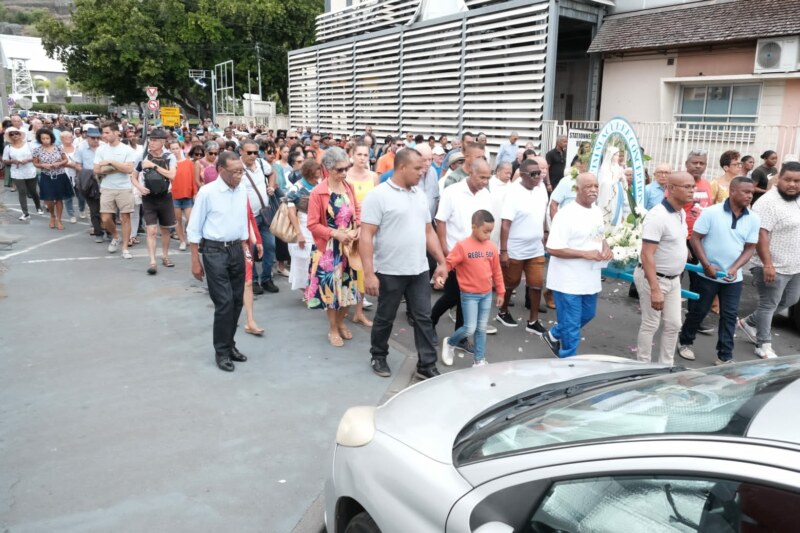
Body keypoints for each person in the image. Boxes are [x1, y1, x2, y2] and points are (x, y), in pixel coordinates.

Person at [360, 148, 447, 379]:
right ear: (401, 168)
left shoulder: (419, 195)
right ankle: (378, 355)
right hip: (389, 270)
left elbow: (429, 231)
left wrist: (441, 261)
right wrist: (369, 274)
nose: (422, 172)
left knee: (423, 317)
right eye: (417, 168)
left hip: (418, 269)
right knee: (385, 317)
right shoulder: (378, 196)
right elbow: (366, 235)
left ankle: (426, 364)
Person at [677, 177, 759, 365]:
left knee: (729, 315)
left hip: (733, 278)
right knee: (699, 311)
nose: (750, 196)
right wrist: (706, 265)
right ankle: (685, 341)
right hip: (707, 274)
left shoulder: (753, 218)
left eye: (752, 193)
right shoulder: (711, 213)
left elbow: (749, 248)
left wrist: (735, 268)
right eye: (746, 192)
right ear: (732, 192)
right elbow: (696, 239)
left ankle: (725, 356)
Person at [187, 151, 250, 372]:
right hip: (214, 251)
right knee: (224, 303)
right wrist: (195, 260)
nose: (239, 175)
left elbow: (241, 221)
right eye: (234, 172)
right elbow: (194, 229)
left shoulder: (242, 189)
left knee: (237, 301)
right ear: (221, 170)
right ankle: (221, 352)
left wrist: (245, 247)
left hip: (236, 250)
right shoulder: (207, 192)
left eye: (241, 171)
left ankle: (230, 344)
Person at [541, 173, 612, 357]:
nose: (594, 190)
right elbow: (553, 248)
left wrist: (606, 248)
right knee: (572, 328)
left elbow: (599, 236)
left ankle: (553, 334)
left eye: (596, 186)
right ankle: (568, 363)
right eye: (588, 186)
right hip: (567, 281)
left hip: (590, 278)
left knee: (588, 314)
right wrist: (583, 254)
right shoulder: (566, 215)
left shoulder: (596, 211)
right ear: (577, 190)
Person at [738, 162, 800, 359]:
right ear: (778, 178)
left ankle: (748, 322)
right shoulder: (767, 202)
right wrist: (768, 264)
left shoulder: (797, 200)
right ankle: (763, 344)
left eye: (797, 181)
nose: (792, 184)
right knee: (769, 304)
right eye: (788, 179)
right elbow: (760, 234)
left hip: (795, 264)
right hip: (771, 265)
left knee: (791, 299)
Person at [432, 158, 493, 352]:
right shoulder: (453, 192)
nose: (485, 181)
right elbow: (440, 221)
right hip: (454, 253)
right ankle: (429, 322)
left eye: (488, 178)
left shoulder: (486, 196)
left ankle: (460, 336)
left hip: (476, 256)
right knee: (451, 296)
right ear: (471, 173)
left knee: (465, 297)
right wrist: (443, 250)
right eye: (482, 177)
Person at [634, 172, 694, 365]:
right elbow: (647, 254)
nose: (692, 190)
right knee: (651, 324)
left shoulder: (681, 212)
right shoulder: (657, 216)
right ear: (671, 188)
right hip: (654, 278)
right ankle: (642, 366)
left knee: (674, 324)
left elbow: (675, 240)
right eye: (687, 187)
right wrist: (655, 289)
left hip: (674, 279)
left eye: (693, 186)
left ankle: (665, 366)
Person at [306, 147, 361, 347]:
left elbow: (356, 212)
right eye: (339, 170)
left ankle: (339, 323)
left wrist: (357, 229)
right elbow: (312, 224)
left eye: (346, 168)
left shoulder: (349, 187)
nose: (344, 173)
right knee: (331, 293)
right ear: (328, 169)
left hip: (348, 247)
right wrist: (334, 233)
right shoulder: (317, 193)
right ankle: (332, 328)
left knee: (349, 289)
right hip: (329, 249)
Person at [440, 210, 504, 367]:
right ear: (474, 227)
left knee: (481, 328)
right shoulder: (462, 246)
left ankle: (479, 359)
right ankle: (450, 342)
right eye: (485, 231)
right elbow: (448, 264)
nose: (488, 235)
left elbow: (497, 270)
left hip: (486, 294)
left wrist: (501, 291)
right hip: (469, 295)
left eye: (491, 231)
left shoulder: (491, 247)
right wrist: (441, 276)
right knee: (469, 327)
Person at [495, 158, 549, 334]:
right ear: (523, 175)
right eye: (534, 174)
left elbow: (542, 215)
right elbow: (505, 224)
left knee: (536, 284)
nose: (538, 177)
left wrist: (546, 232)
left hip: (535, 248)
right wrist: (504, 251)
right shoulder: (513, 192)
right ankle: (503, 312)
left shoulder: (541, 190)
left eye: (539, 173)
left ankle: (533, 321)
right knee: (511, 283)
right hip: (515, 248)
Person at [678, 148, 716, 335]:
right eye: (695, 162)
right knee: (675, 278)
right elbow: (672, 212)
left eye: (702, 163)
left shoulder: (708, 185)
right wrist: (682, 241)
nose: (698, 166)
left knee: (698, 282)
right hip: (681, 240)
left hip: (700, 241)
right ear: (687, 164)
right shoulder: (679, 184)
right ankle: (671, 317)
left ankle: (693, 320)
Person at [133, 129, 177, 275]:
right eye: (151, 140)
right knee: (151, 230)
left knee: (165, 229)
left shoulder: (169, 156)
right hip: (149, 197)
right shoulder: (142, 156)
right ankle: (152, 261)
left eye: (155, 140)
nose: (151, 143)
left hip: (165, 196)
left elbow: (172, 175)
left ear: (163, 142)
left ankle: (165, 256)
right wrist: (139, 187)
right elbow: (133, 176)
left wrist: (153, 166)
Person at [240, 139, 279, 295]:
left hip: (265, 213)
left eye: (255, 152)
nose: (253, 156)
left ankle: (267, 278)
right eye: (249, 152)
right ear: (241, 152)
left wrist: (271, 186)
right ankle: (253, 280)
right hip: (249, 217)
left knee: (270, 246)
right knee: (250, 249)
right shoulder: (237, 168)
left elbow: (272, 173)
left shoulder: (262, 164)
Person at [346, 142, 379, 326]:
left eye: (365, 155)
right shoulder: (346, 176)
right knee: (348, 269)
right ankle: (343, 307)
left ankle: (358, 311)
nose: (362, 158)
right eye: (359, 154)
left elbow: (378, 202)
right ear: (352, 155)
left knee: (364, 269)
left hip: (369, 229)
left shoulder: (373, 177)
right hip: (350, 229)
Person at [95, 121, 136, 259]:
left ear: (117, 132)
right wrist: (118, 167)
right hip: (106, 187)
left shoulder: (127, 150)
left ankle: (125, 248)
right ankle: (115, 236)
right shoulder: (101, 149)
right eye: (103, 133)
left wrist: (110, 163)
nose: (104, 135)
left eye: (107, 132)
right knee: (105, 218)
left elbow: (129, 169)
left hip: (124, 188)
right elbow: (96, 169)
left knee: (125, 218)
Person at [287, 159, 322, 294]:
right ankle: (306, 291)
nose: (316, 179)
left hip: (317, 225)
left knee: (316, 259)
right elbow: (291, 212)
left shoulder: (319, 185)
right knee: (303, 260)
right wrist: (299, 233)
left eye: (318, 176)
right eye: (314, 176)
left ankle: (313, 290)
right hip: (303, 224)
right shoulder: (296, 188)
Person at [32, 128, 72, 230]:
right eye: (43, 138)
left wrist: (58, 163)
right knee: (49, 200)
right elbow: (35, 163)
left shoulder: (58, 148)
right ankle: (52, 216)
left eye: (47, 138)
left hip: (60, 175)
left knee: (59, 199)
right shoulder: (37, 150)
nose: (45, 140)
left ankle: (59, 219)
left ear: (51, 138)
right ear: (40, 139)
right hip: (46, 176)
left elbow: (66, 160)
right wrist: (42, 165)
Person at [2, 127, 42, 221]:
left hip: (30, 170)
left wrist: (28, 160)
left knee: (33, 191)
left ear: (20, 135)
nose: (14, 135)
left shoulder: (29, 145)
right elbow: (4, 160)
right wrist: (12, 161)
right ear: (10, 137)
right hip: (17, 171)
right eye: (12, 134)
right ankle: (25, 213)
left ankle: (38, 207)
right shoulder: (8, 147)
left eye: (16, 133)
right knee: (22, 191)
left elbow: (37, 156)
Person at [74, 127, 104, 241]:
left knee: (107, 208)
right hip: (90, 182)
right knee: (94, 209)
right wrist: (86, 174)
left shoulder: (104, 146)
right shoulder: (81, 148)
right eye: (93, 138)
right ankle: (98, 232)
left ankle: (109, 231)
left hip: (104, 179)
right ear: (87, 137)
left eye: (98, 137)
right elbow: (77, 165)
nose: (96, 140)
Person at [60, 131, 85, 223]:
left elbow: (82, 160)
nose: (69, 139)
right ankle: (71, 215)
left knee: (81, 196)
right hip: (65, 175)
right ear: (62, 139)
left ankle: (82, 210)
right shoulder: (59, 149)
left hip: (78, 175)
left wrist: (77, 166)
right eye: (66, 137)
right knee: (68, 197)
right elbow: (60, 162)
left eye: (70, 137)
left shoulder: (77, 148)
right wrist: (72, 165)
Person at [488, 162, 513, 247]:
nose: (509, 176)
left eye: (510, 173)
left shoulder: (511, 186)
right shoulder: (489, 184)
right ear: (498, 172)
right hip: (492, 219)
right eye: (506, 173)